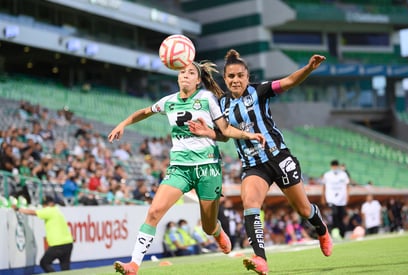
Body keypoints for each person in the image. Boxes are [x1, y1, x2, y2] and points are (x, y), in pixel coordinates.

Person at [108, 60, 265, 275]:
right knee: (154, 211)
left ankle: (217, 231)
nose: (186, 75)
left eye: (191, 73)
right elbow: (145, 112)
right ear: (177, 77)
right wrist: (123, 123)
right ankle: (134, 264)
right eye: (182, 72)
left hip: (207, 168)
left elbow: (226, 132)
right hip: (179, 168)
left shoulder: (206, 98)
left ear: (198, 80)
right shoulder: (168, 102)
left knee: (208, 226)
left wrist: (249, 135)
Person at [188, 49, 332, 275]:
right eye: (231, 77)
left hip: (279, 158)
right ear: (225, 79)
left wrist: (308, 68)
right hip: (253, 166)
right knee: (250, 203)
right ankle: (260, 258)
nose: (236, 80)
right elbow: (225, 135)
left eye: (240, 76)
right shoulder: (222, 104)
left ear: (247, 77)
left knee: (303, 209)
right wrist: (207, 132)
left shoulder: (259, 91)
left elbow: (289, 81)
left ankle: (321, 229)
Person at [13, 196, 74, 273]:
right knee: (65, 268)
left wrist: (19, 209)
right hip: (68, 243)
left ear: (47, 204)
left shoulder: (49, 210)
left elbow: (34, 212)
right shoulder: (57, 210)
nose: (43, 207)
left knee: (44, 263)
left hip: (58, 245)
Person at [321, 159, 350, 239]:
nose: (335, 167)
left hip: (341, 200)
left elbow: (347, 186)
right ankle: (335, 232)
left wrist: (347, 196)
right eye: (333, 166)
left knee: (341, 216)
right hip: (331, 200)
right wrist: (323, 197)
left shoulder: (343, 175)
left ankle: (342, 233)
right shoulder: (327, 175)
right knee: (334, 214)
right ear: (331, 166)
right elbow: (324, 186)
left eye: (336, 166)